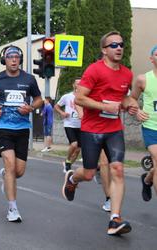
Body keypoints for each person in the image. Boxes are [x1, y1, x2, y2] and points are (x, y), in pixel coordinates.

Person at [61, 31, 138, 236]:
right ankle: (72, 180)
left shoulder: (127, 73)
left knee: (118, 170)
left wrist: (131, 105)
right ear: (104, 50)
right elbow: (79, 99)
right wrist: (104, 106)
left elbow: (124, 98)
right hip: (91, 130)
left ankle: (115, 219)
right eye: (113, 45)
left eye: (121, 44)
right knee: (88, 173)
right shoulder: (94, 70)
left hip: (114, 130)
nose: (119, 48)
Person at [0, 45, 43, 222]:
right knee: (9, 163)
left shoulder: (29, 79)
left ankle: (7, 177)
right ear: (4, 60)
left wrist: (31, 107)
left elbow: (39, 99)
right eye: (10, 57)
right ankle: (13, 208)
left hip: (22, 129)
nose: (14, 59)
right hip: (2, 128)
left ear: (20, 60)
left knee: (18, 172)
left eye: (17, 57)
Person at [130, 45, 157, 202]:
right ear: (151, 59)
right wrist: (137, 111)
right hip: (151, 127)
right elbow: (132, 98)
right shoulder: (143, 79)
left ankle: (147, 180)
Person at [54, 78, 81, 172]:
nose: (79, 85)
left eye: (81, 84)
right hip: (69, 124)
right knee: (74, 144)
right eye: (77, 83)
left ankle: (67, 164)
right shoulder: (67, 96)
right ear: (74, 85)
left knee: (78, 150)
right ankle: (68, 159)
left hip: (81, 125)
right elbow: (56, 106)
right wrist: (62, 113)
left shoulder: (85, 97)